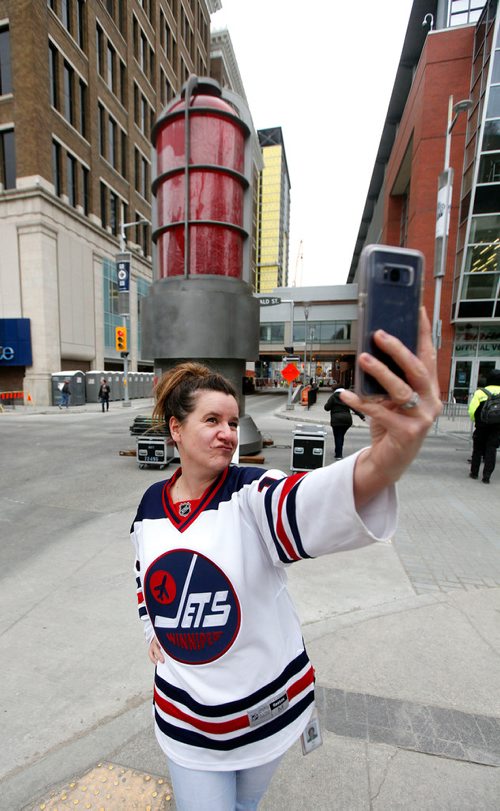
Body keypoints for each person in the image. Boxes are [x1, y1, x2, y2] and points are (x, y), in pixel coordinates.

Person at [130, 310, 441, 811]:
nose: (228, 433)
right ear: (176, 429)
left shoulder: (252, 494)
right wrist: (152, 629)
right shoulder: (149, 506)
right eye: (211, 420)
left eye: (232, 422)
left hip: (263, 711)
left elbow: (305, 501)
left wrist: (385, 461)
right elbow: (144, 575)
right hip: (185, 717)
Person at [468, 369, 500, 483]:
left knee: (477, 450)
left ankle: (474, 473)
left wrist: (475, 420)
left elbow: (472, 410)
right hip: (496, 428)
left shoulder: (480, 392)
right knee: (491, 451)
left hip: (481, 426)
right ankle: (486, 477)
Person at [324, 385, 366, 459]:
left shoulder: (333, 396)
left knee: (338, 436)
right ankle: (338, 451)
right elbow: (354, 408)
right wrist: (362, 416)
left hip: (336, 420)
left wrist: (332, 405)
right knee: (340, 436)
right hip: (347, 420)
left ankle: (338, 454)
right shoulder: (347, 397)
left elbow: (326, 408)